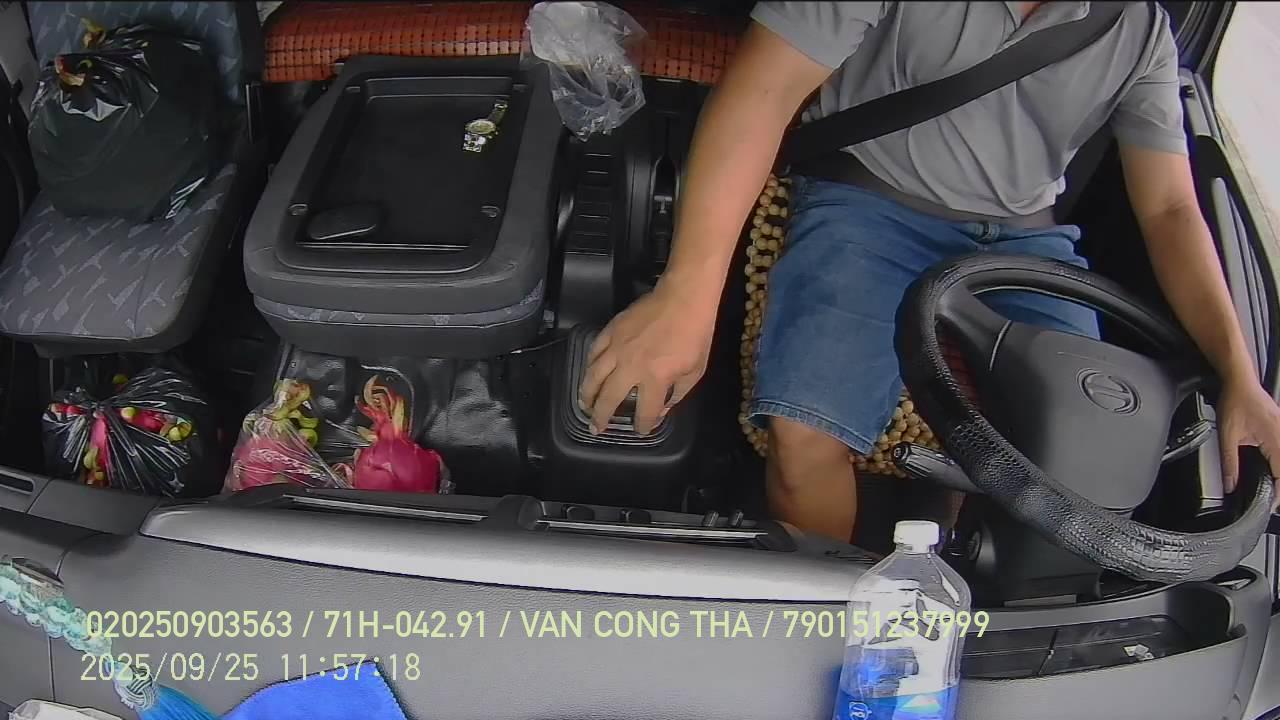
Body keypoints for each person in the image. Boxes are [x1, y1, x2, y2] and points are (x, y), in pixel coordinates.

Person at [579, 1, 1280, 542]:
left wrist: (1241, 376)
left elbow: (1170, 210)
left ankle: (977, 591)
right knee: (803, 434)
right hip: (868, 203)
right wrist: (687, 296)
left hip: (1027, 242)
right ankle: (828, 612)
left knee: (1089, 457)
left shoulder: (1141, 31)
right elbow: (763, 91)